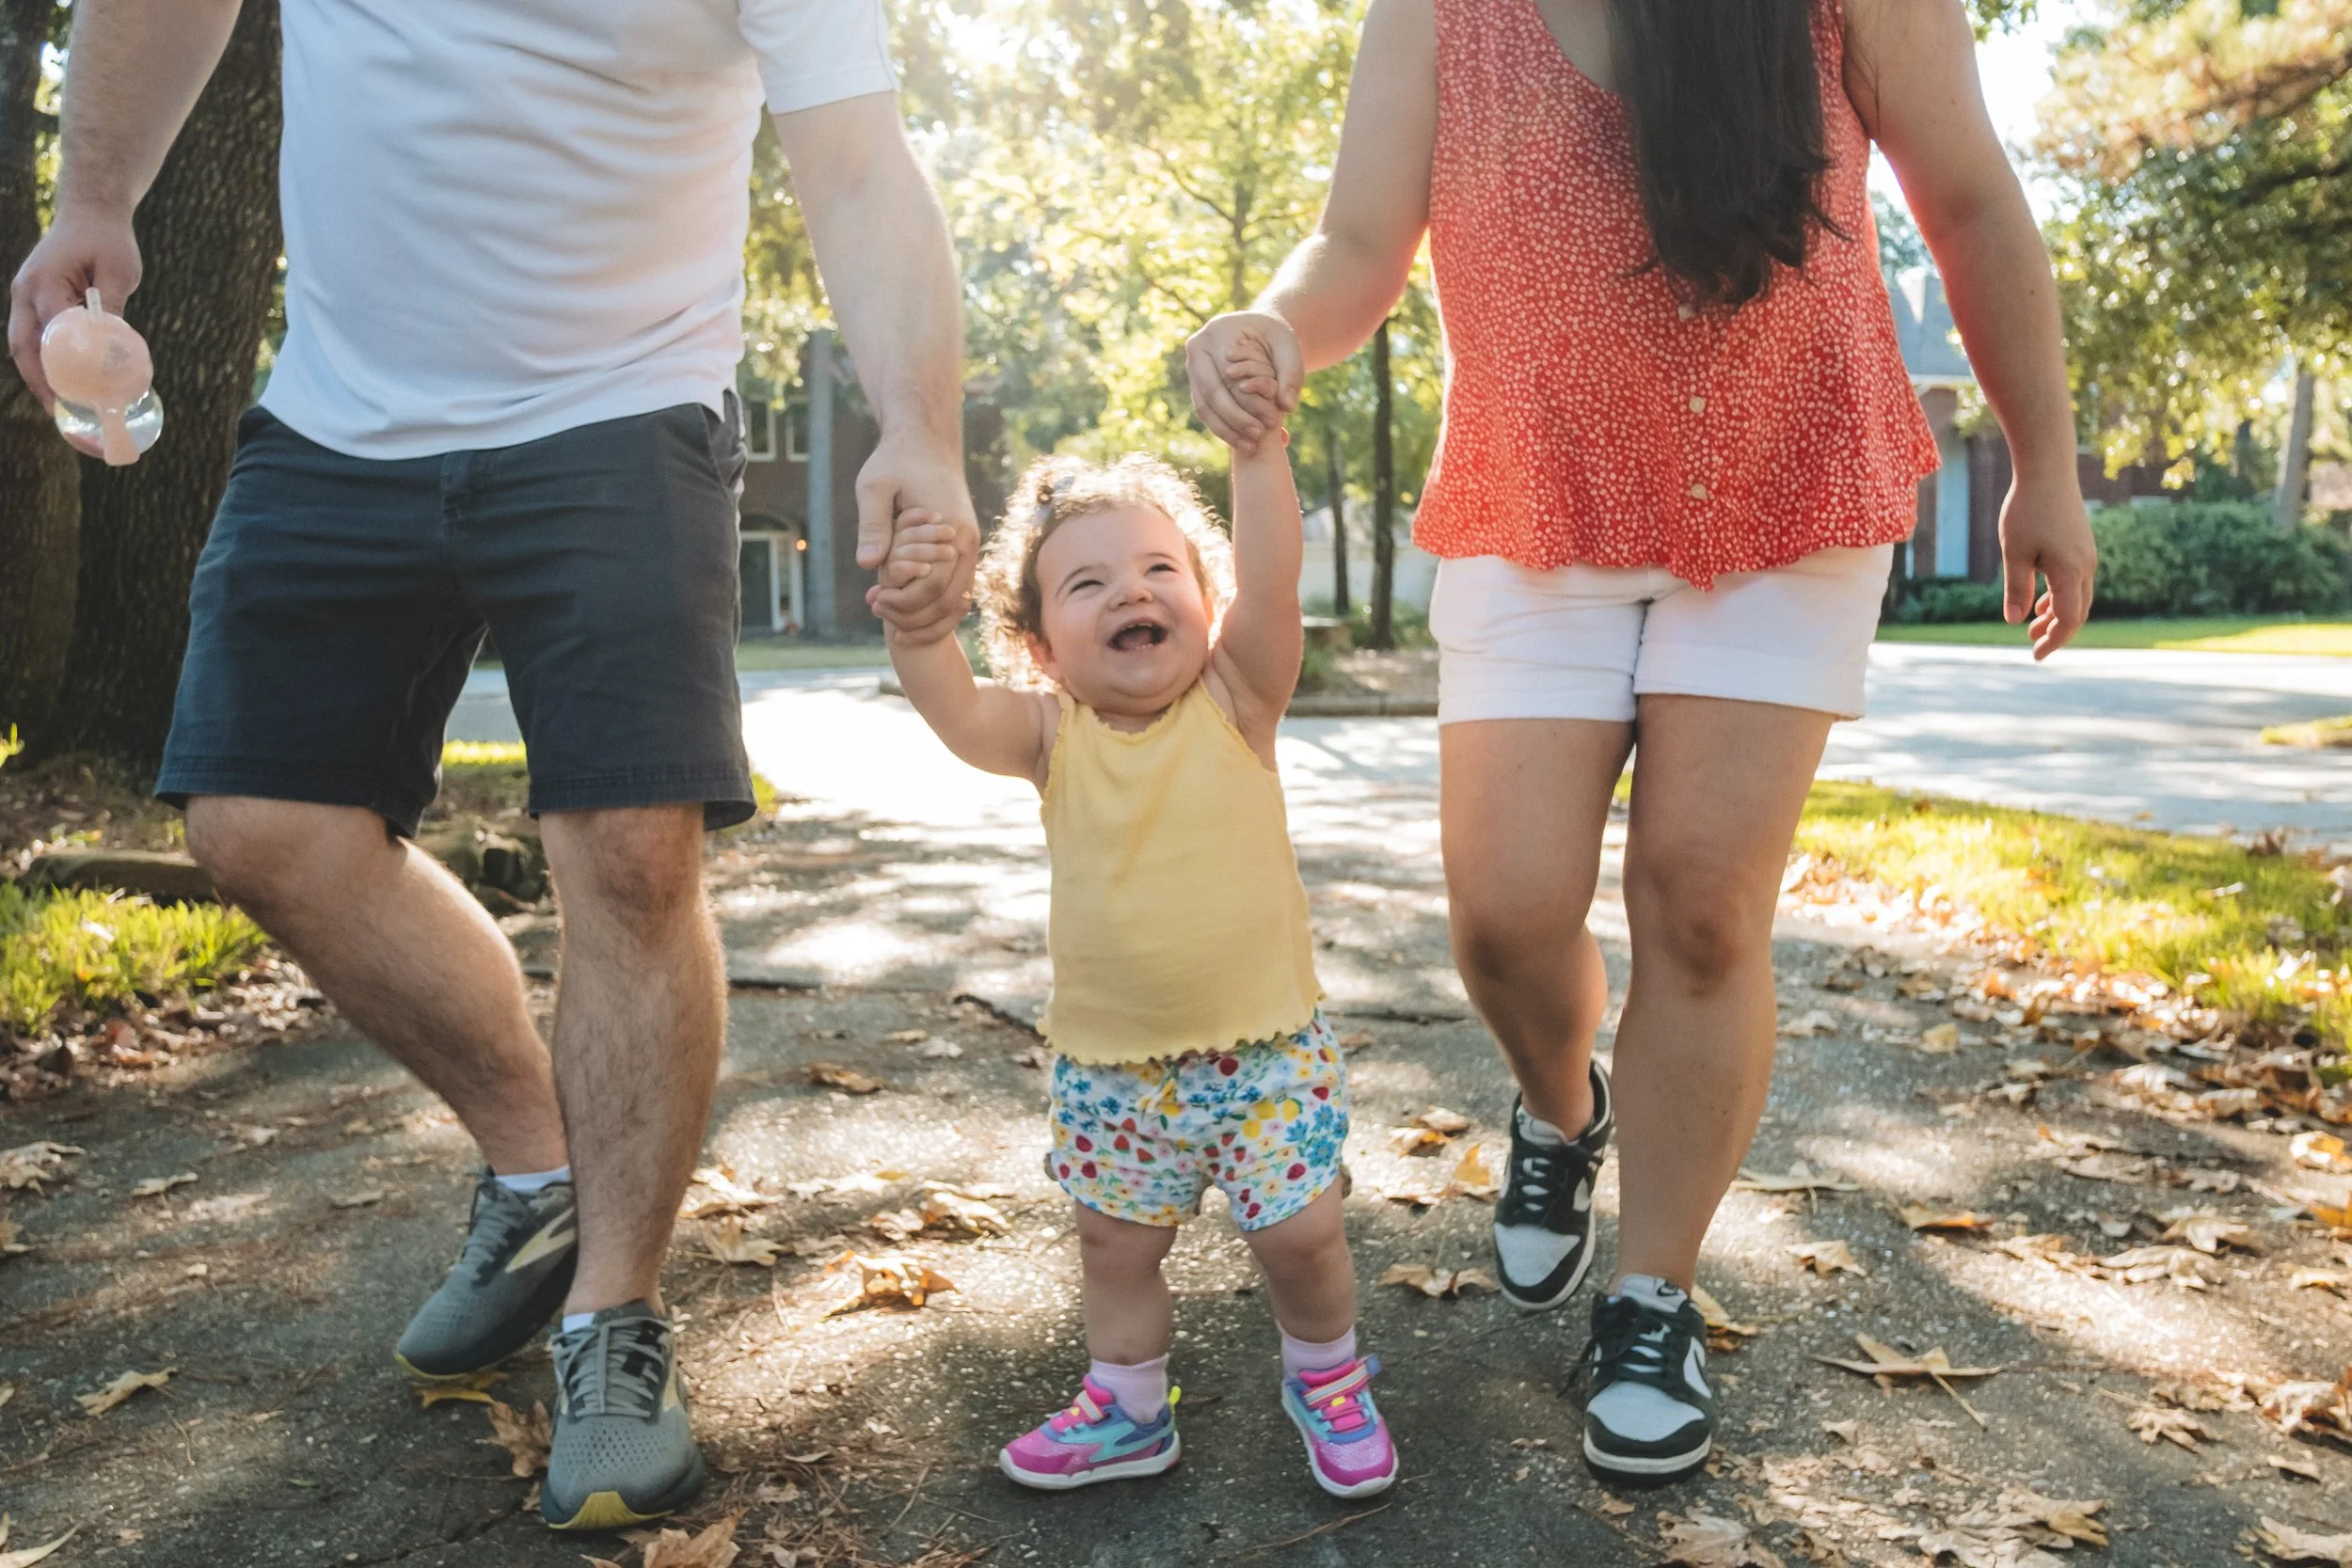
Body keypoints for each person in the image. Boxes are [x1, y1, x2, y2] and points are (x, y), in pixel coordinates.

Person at [8, 0, 972, 1532]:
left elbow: (857, 162)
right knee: (257, 824)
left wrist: (921, 428)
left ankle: (612, 1316)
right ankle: (541, 1165)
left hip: (624, 404)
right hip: (338, 408)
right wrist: (98, 198)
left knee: (634, 846)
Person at [1186, 0, 2096, 1482]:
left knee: (1698, 897)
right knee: (1507, 912)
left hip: (1790, 482)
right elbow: (1360, 242)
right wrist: (1275, 325)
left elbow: (1974, 194)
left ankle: (1649, 1294)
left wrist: (2043, 463)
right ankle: (1562, 1106)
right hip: (1535, 490)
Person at [872, 344, 1398, 1499]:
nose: (1132, 593)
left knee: (1302, 1238)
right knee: (1116, 1247)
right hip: (1112, 1068)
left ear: (1205, 608)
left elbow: (1270, 568)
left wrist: (1254, 452)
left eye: (1161, 569)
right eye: (1089, 583)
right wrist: (919, 630)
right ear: (1041, 642)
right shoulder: (1050, 734)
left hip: (1266, 1052)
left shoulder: (1237, 696)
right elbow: (956, 709)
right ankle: (1126, 1404)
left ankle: (1327, 1374)